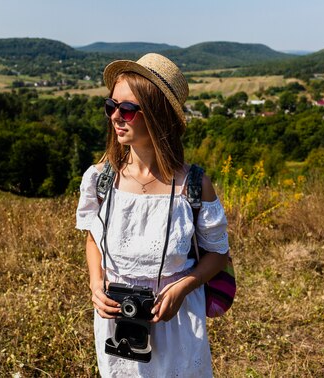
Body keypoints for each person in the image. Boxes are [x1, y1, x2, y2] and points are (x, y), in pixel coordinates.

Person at [75, 53, 230, 377]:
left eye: (128, 110)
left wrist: (184, 286)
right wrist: (95, 282)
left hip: (176, 326)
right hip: (119, 325)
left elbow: (218, 254)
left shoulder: (194, 186)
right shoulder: (101, 179)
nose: (116, 116)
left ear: (158, 115)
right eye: (111, 106)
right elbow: (93, 237)